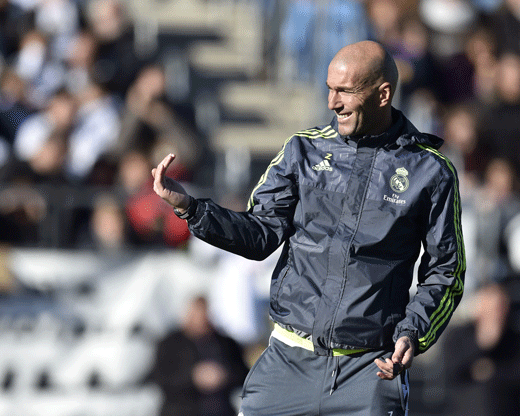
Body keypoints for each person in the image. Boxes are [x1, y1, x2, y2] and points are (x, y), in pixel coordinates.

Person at [152, 40, 466, 416]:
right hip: (287, 363)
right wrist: (190, 207)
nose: (332, 103)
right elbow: (260, 234)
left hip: (370, 372)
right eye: (329, 89)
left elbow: (446, 271)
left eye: (345, 91)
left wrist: (414, 330)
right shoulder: (302, 151)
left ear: (382, 94)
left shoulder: (430, 171)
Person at [151, 295, 249, 416]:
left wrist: (224, 375)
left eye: (204, 313)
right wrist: (194, 377)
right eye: (196, 314)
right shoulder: (170, 344)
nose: (201, 319)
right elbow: (160, 378)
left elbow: (244, 375)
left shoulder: (226, 343)